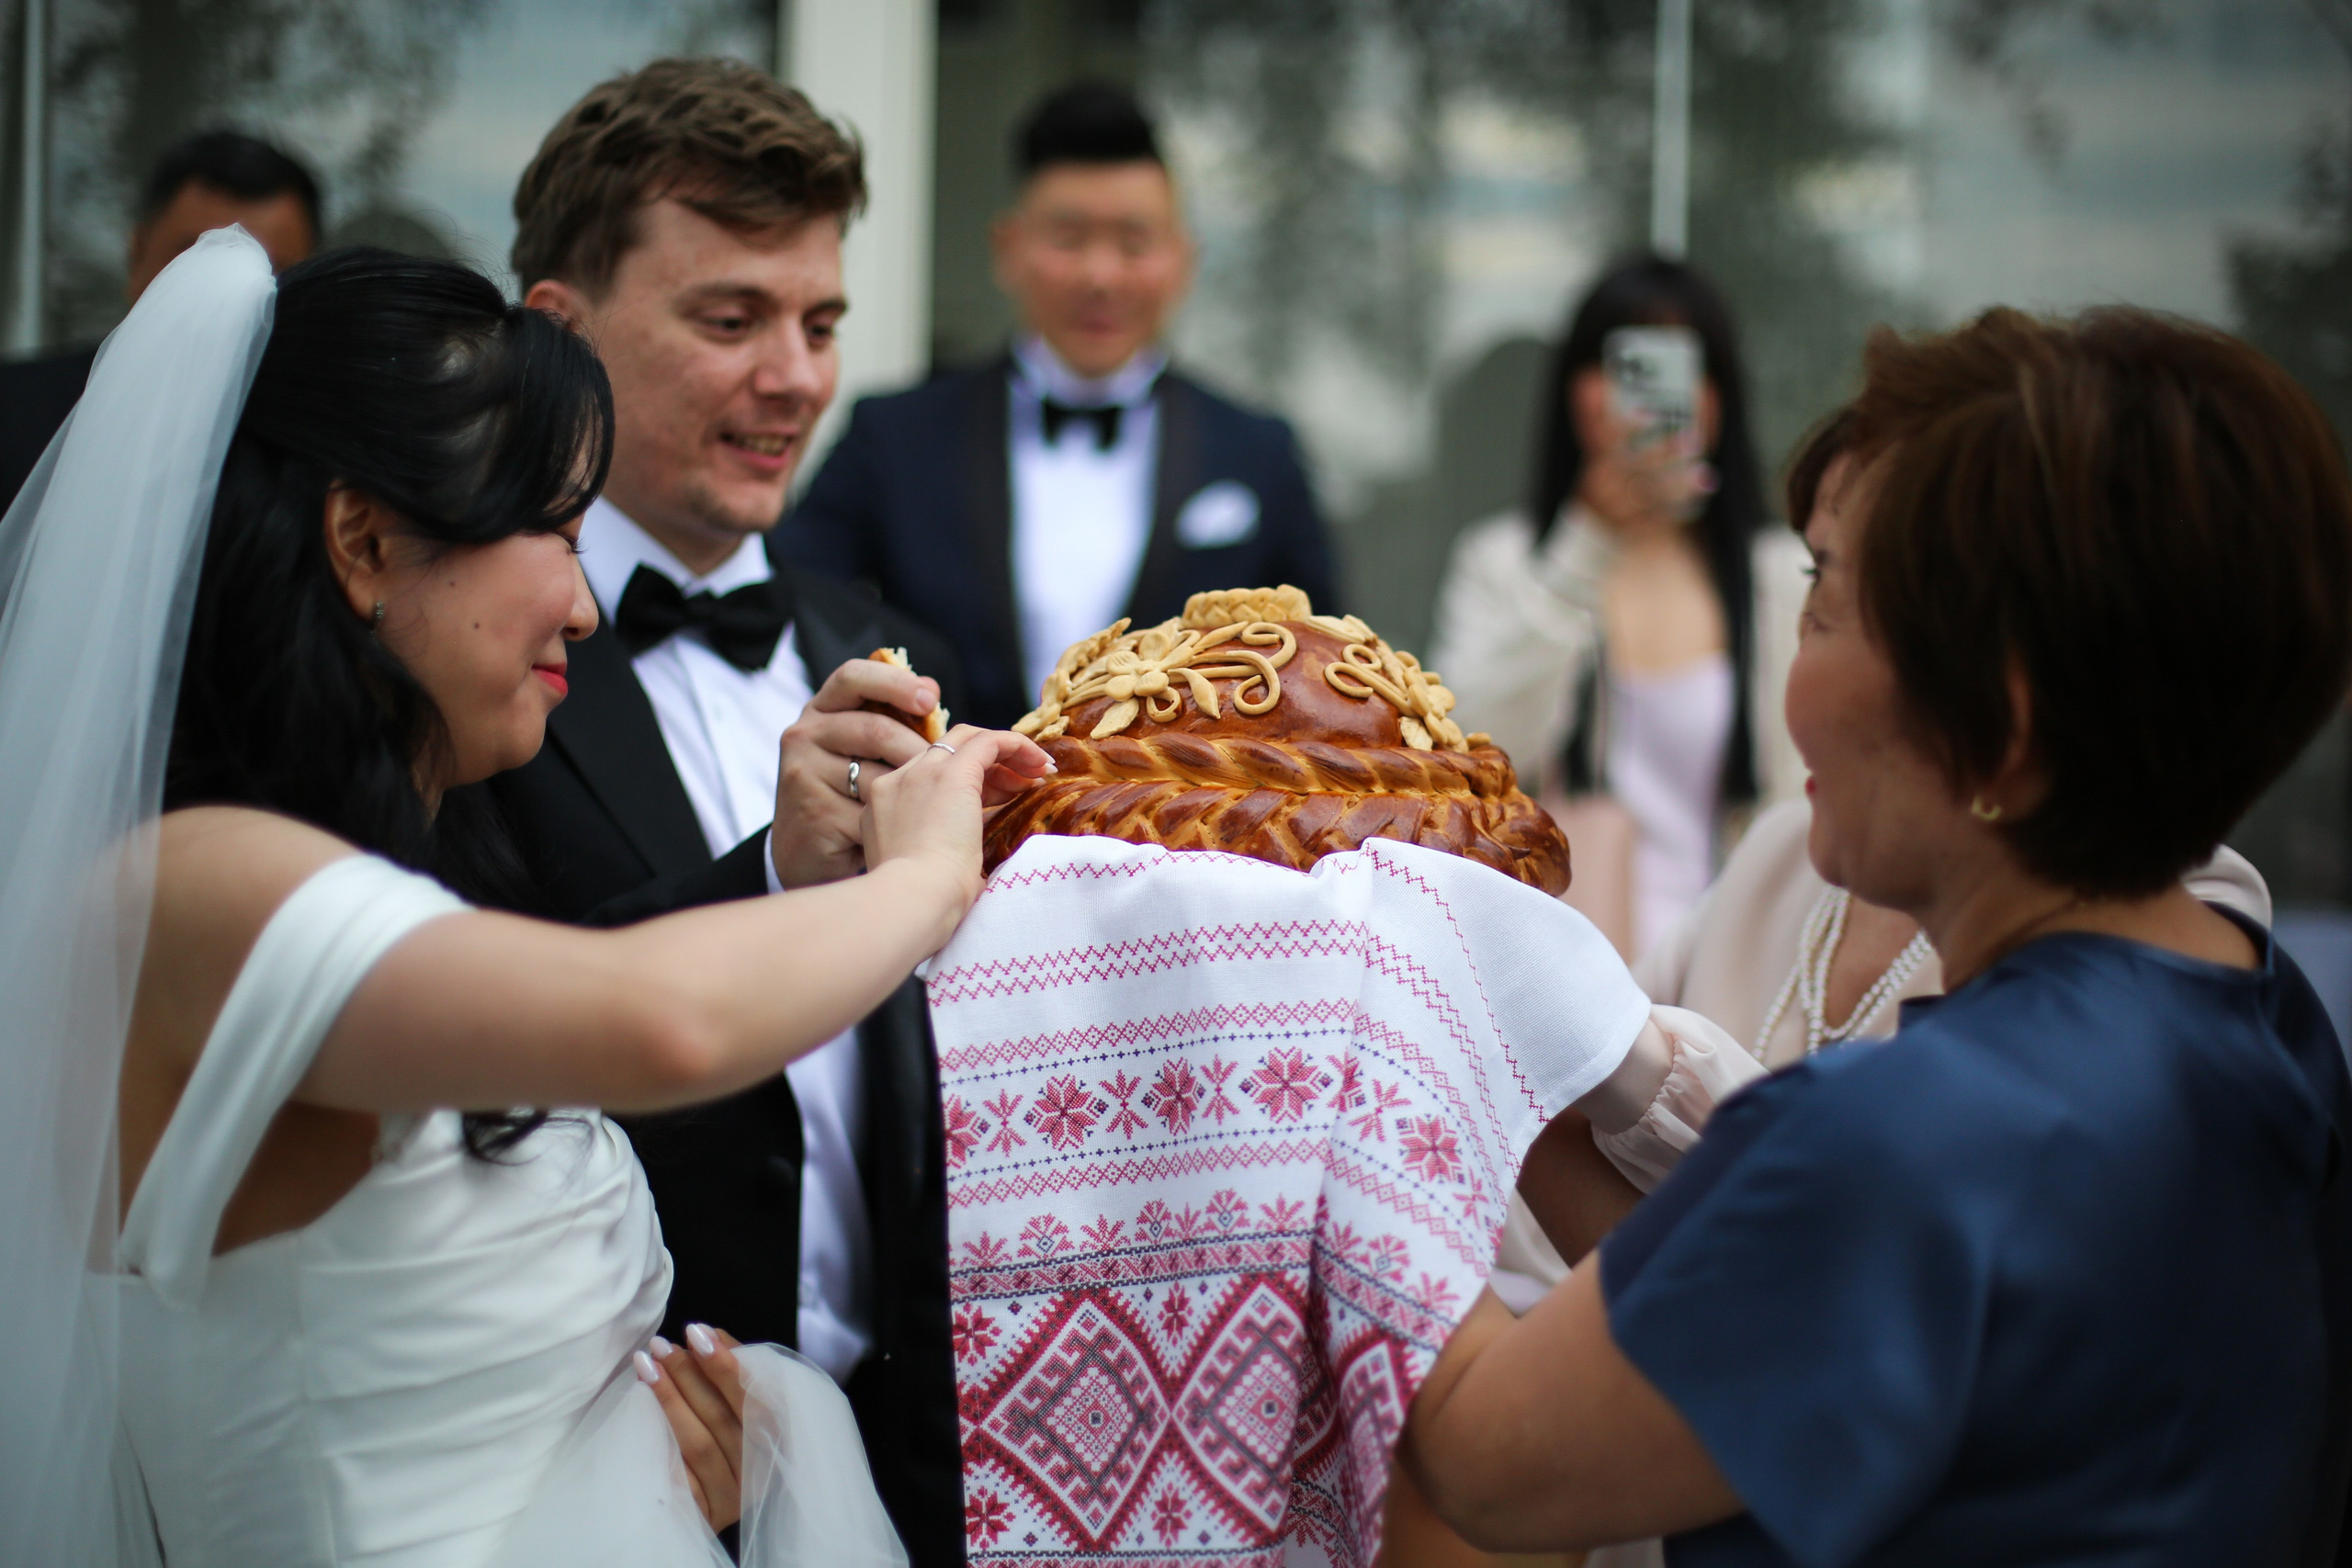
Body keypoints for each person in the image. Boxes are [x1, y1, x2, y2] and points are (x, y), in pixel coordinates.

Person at [0, 229, 1052, 1565]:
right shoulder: (195, 887)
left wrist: (641, 1462)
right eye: (554, 526)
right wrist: (923, 877)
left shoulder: (374, 867)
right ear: (366, 540)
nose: (586, 603)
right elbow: (663, 1022)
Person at [1400, 306, 2352, 1563]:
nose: (1790, 677)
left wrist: (1342, 1055)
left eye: (1827, 604)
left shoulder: (1903, 1133)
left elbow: (1492, 1458)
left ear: (2000, 729)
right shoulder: (2266, 1020)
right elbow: (1780, 1312)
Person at [474, 59, 968, 1568]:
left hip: (901, 1478)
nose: (797, 379)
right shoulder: (461, 662)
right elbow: (482, 1049)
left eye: (819, 324)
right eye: (730, 319)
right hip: (603, 1473)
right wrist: (772, 873)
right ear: (557, 333)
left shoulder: (877, 642)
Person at [782, 80, 1339, 729]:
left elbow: (1319, 665)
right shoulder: (894, 435)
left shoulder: (1260, 451)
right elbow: (794, 605)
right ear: (1007, 249)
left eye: (1134, 243)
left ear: (1184, 260)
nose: (1100, 276)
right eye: (1068, 239)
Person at [1430, 258, 1807, 961]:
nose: (1649, 398)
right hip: (1558, 969)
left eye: (1680, 368)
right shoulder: (1504, 562)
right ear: (1575, 393)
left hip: (1735, 972)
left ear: (1720, 396)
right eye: (1622, 365)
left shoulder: (1781, 575)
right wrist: (1585, 546)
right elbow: (1468, 758)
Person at [0, 128, 318, 513]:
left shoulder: (330, 442)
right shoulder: (13, 410)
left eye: (266, 274)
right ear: (136, 255)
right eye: (195, 261)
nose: (225, 296)